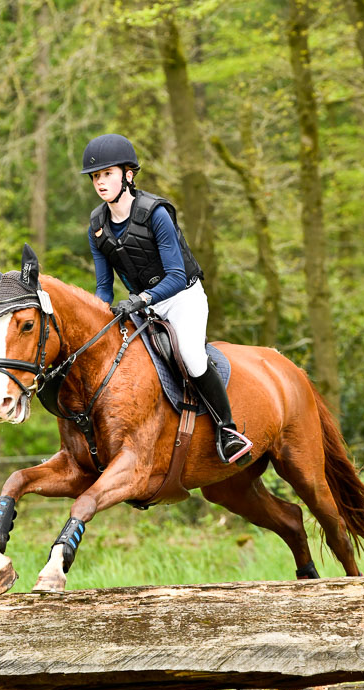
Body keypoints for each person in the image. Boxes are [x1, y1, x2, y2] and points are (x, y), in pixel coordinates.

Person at [82, 133, 252, 466]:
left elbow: (175, 275)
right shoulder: (97, 226)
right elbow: (103, 285)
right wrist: (98, 316)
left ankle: (227, 431)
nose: (100, 182)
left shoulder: (155, 213)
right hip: (142, 304)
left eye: (107, 174)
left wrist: (140, 299)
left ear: (128, 175)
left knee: (190, 356)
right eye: (95, 177)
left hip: (182, 296)